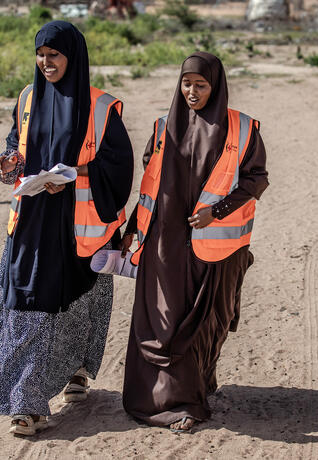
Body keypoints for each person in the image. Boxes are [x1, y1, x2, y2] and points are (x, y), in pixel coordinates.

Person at [0, 21, 133, 436]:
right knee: (31, 307)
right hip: (32, 224)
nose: (46, 63)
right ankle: (26, 404)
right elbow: (16, 145)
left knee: (82, 306)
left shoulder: (101, 107)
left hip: (81, 224)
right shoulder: (27, 98)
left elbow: (118, 167)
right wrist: (9, 163)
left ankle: (77, 370)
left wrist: (75, 173)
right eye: (40, 55)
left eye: (54, 55)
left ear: (73, 57)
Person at [120, 52, 268, 433]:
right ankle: (175, 403)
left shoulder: (242, 129)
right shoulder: (161, 127)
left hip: (214, 248)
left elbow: (256, 180)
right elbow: (150, 183)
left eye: (200, 84)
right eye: (186, 83)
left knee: (204, 323)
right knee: (165, 323)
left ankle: (198, 385)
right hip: (164, 245)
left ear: (215, 85)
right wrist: (133, 227)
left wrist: (216, 212)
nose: (192, 91)